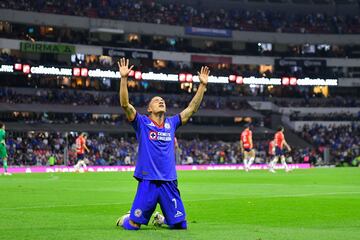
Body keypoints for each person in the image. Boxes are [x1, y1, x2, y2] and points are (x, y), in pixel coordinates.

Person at [116, 58, 210, 230]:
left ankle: (162, 219)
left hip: (169, 180)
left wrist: (202, 86)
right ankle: (126, 218)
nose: (161, 101)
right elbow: (125, 104)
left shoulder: (171, 123)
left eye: (162, 101)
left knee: (181, 225)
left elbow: (191, 109)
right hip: (148, 180)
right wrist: (123, 79)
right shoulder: (142, 123)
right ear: (149, 109)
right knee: (133, 226)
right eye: (156, 100)